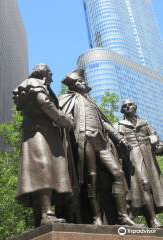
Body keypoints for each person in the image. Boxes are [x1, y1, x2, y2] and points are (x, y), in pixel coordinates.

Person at [59, 69, 138, 226]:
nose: (84, 83)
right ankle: (96, 218)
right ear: (74, 86)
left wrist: (119, 138)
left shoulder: (93, 103)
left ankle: (122, 216)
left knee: (118, 173)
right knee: (91, 178)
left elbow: (105, 123)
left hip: (101, 142)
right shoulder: (68, 99)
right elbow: (62, 117)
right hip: (84, 139)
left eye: (83, 81)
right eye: (80, 82)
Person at [13, 64, 73, 227]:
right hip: (41, 132)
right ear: (45, 74)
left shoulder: (27, 86)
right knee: (44, 169)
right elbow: (45, 103)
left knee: (40, 171)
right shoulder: (35, 83)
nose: (52, 79)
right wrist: (64, 120)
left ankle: (39, 217)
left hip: (38, 132)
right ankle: (47, 214)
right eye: (50, 75)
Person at [117, 99, 163, 228]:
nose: (127, 107)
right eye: (125, 106)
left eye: (130, 104)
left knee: (152, 186)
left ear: (135, 106)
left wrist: (152, 139)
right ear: (122, 110)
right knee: (144, 184)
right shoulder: (120, 124)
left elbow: (154, 135)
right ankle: (153, 220)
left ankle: (151, 221)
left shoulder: (145, 123)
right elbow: (118, 141)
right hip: (133, 158)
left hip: (148, 156)